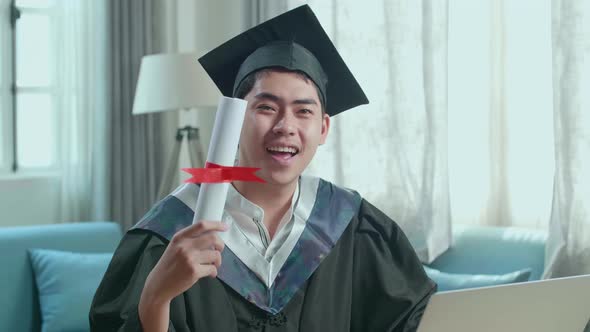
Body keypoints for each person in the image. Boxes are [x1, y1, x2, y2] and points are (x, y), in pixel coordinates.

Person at [90, 5, 436, 332]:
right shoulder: (170, 231)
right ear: (233, 120)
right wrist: (156, 296)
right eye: (267, 107)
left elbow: (416, 320)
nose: (286, 125)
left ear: (324, 129)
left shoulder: (354, 225)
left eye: (304, 111)